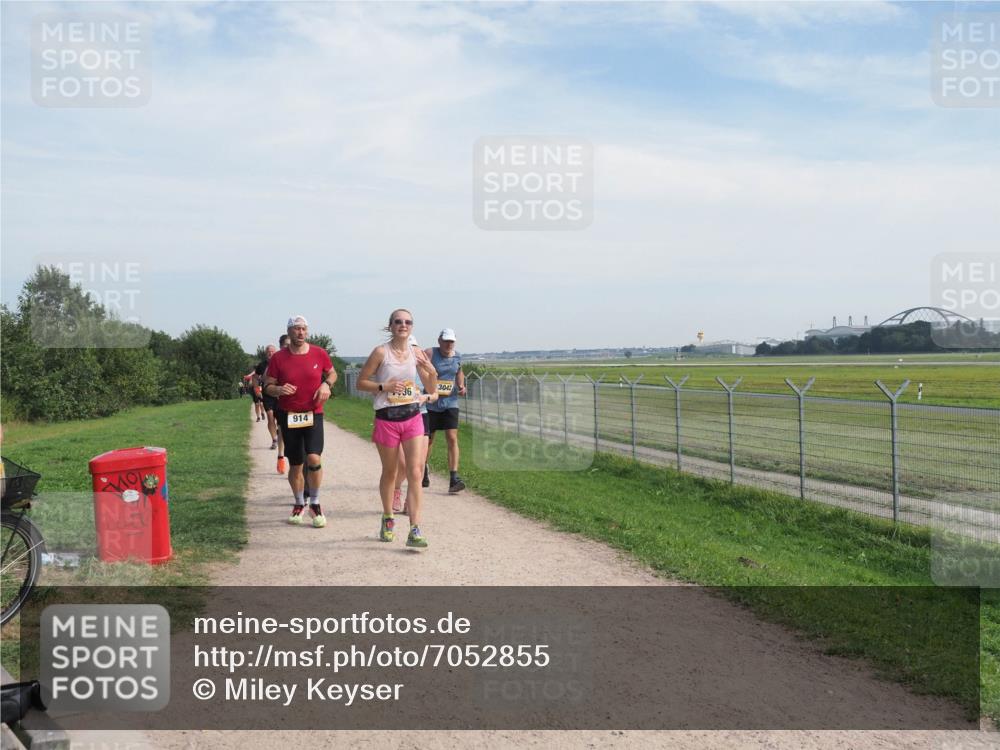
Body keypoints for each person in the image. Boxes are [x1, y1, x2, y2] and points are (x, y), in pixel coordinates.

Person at [356, 309, 437, 548]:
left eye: (408, 322)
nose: (403, 325)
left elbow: (431, 387)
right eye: (398, 321)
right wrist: (385, 386)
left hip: (412, 416)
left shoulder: (417, 353)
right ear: (390, 326)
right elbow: (362, 382)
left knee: (415, 472)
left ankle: (415, 528)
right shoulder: (381, 352)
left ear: (412, 327)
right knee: (390, 472)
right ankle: (388, 517)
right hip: (387, 417)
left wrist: (431, 371)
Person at [263, 316, 336, 528]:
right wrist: (277, 389)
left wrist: (326, 385)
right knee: (296, 464)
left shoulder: (318, 353)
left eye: (303, 329)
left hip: (314, 413)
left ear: (307, 331)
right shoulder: (278, 358)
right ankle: (298, 503)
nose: (300, 333)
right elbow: (268, 385)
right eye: (296, 329)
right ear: (289, 332)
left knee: (314, 458)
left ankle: (315, 502)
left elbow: (332, 372)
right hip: (289, 414)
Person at [425, 328, 467, 493]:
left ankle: (453, 478)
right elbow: (419, 369)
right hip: (431, 403)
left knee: (452, 437)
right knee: (429, 440)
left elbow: (459, 372)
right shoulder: (429, 353)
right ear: (439, 341)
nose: (449, 344)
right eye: (446, 341)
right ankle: (423, 469)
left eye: (451, 341)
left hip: (450, 402)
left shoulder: (457, 356)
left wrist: (461, 386)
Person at [392, 335, 430, 514]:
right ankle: (397, 489)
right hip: (398, 416)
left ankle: (410, 500)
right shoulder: (395, 368)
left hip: (421, 415)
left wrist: (426, 396)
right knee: (402, 464)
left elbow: (434, 390)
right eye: (409, 348)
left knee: (419, 465)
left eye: (415, 347)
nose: (413, 352)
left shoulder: (424, 369)